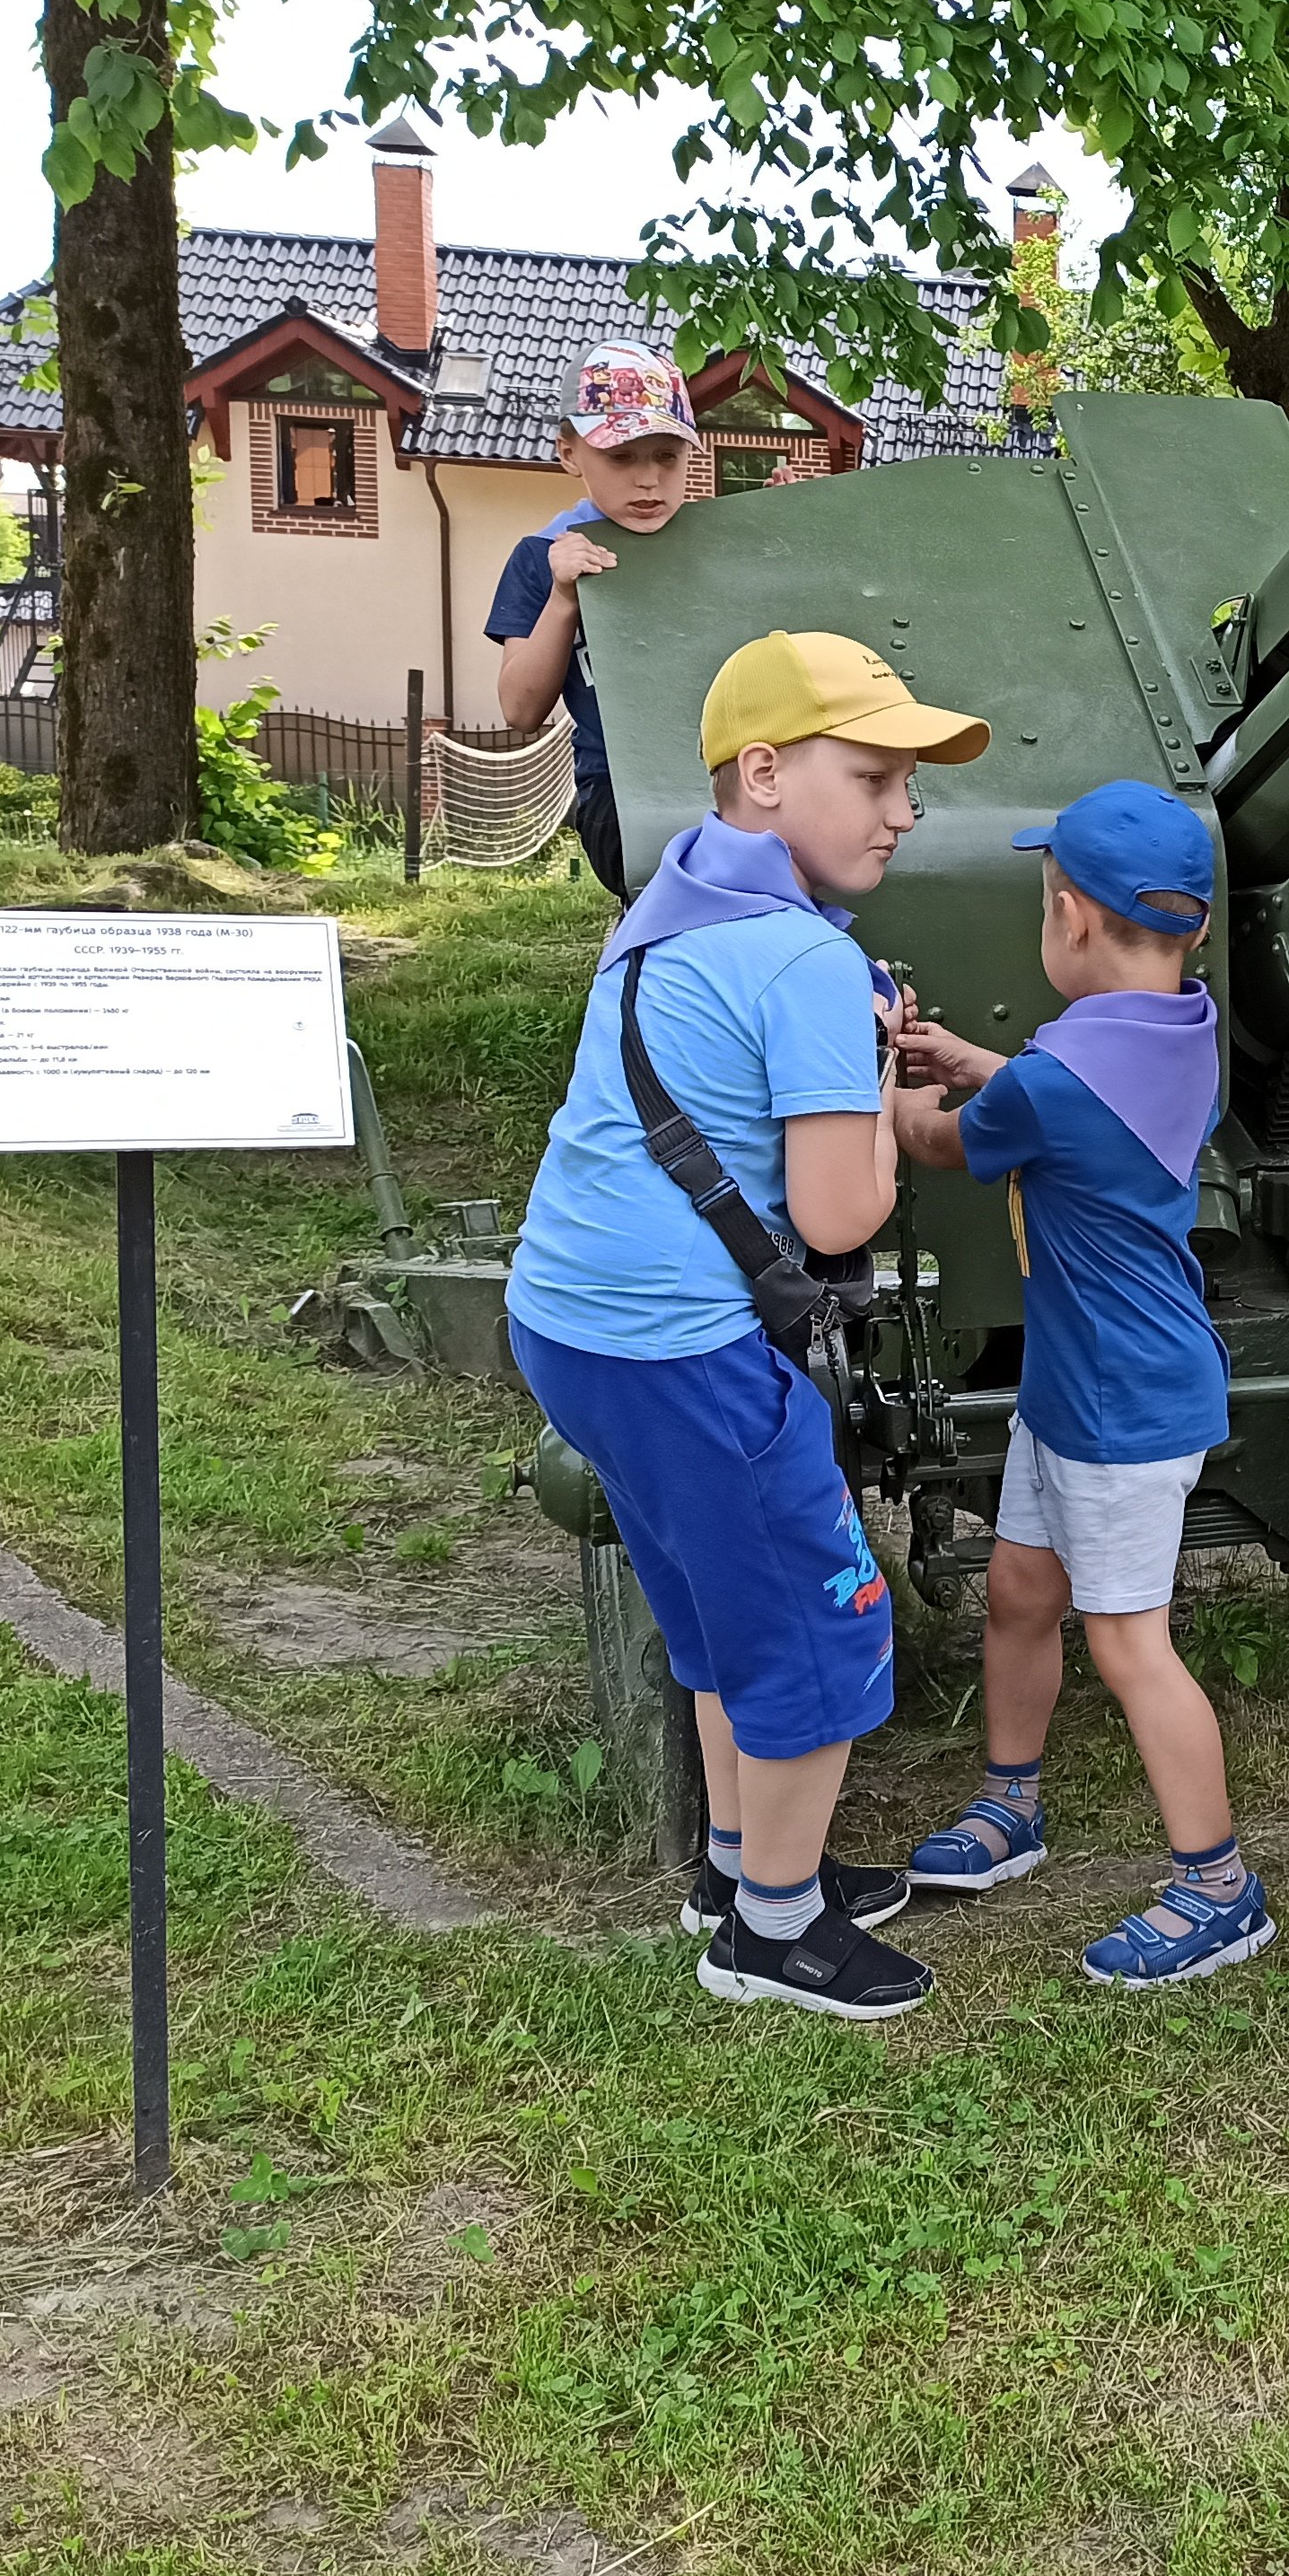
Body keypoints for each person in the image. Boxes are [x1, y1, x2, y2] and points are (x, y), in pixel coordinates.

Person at [505, 628, 991, 2020]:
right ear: (766, 774)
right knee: (819, 1628)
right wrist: (888, 1099)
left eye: (910, 784)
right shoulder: (807, 963)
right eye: (876, 777)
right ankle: (774, 1933)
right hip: (685, 1345)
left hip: (573, 1321)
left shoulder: (671, 906)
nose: (906, 811)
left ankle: (737, 1870)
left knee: (722, 1615)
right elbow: (841, 1216)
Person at [888, 780, 1265, 1985]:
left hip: (1119, 1407)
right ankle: (1011, 1805)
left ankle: (1220, 1888)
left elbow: (943, 1141)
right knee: (1018, 1592)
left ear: (1070, 918)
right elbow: (1071, 1097)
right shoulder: (1183, 1025)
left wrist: (894, 1086)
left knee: (1130, 1644)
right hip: (1087, 1382)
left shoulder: (1048, 1088)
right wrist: (978, 1062)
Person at [488, 344, 759, 899]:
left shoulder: (723, 547)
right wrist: (564, 599)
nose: (648, 480)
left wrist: (785, 545)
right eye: (621, 457)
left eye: (666, 457)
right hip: (622, 792)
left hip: (738, 776)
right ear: (570, 454)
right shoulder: (541, 556)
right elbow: (520, 710)